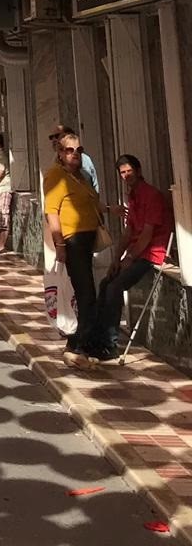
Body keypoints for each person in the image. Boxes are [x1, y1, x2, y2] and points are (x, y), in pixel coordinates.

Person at [89, 154, 174, 361]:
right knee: (105, 283)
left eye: (129, 171)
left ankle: (110, 344)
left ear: (138, 170)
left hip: (152, 254)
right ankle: (97, 338)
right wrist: (116, 259)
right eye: (122, 173)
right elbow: (129, 232)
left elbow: (147, 234)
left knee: (115, 287)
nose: (126, 176)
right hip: (136, 252)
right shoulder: (132, 196)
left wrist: (129, 259)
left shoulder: (151, 195)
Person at [44, 130, 104, 367]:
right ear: (60, 153)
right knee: (86, 293)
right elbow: (52, 212)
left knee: (86, 293)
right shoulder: (55, 176)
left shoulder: (79, 176)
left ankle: (81, 342)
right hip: (73, 241)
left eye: (78, 150)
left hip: (88, 239)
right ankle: (78, 344)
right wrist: (60, 244)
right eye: (69, 150)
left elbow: (91, 200)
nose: (75, 154)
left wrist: (109, 209)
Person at [49, 124, 100, 193]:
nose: (54, 139)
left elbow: (88, 186)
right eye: (51, 137)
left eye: (57, 136)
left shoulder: (81, 159)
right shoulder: (55, 164)